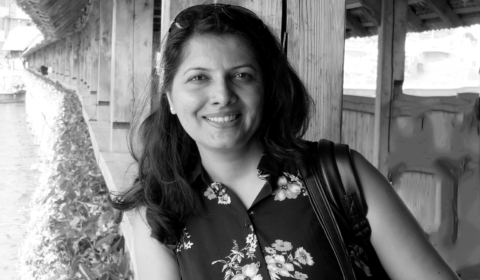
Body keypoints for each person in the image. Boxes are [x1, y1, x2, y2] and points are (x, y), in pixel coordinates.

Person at [110, 4, 460, 280]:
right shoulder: (158, 213)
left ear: (267, 88)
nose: (222, 95)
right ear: (169, 97)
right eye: (198, 77)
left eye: (242, 75)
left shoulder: (339, 175)